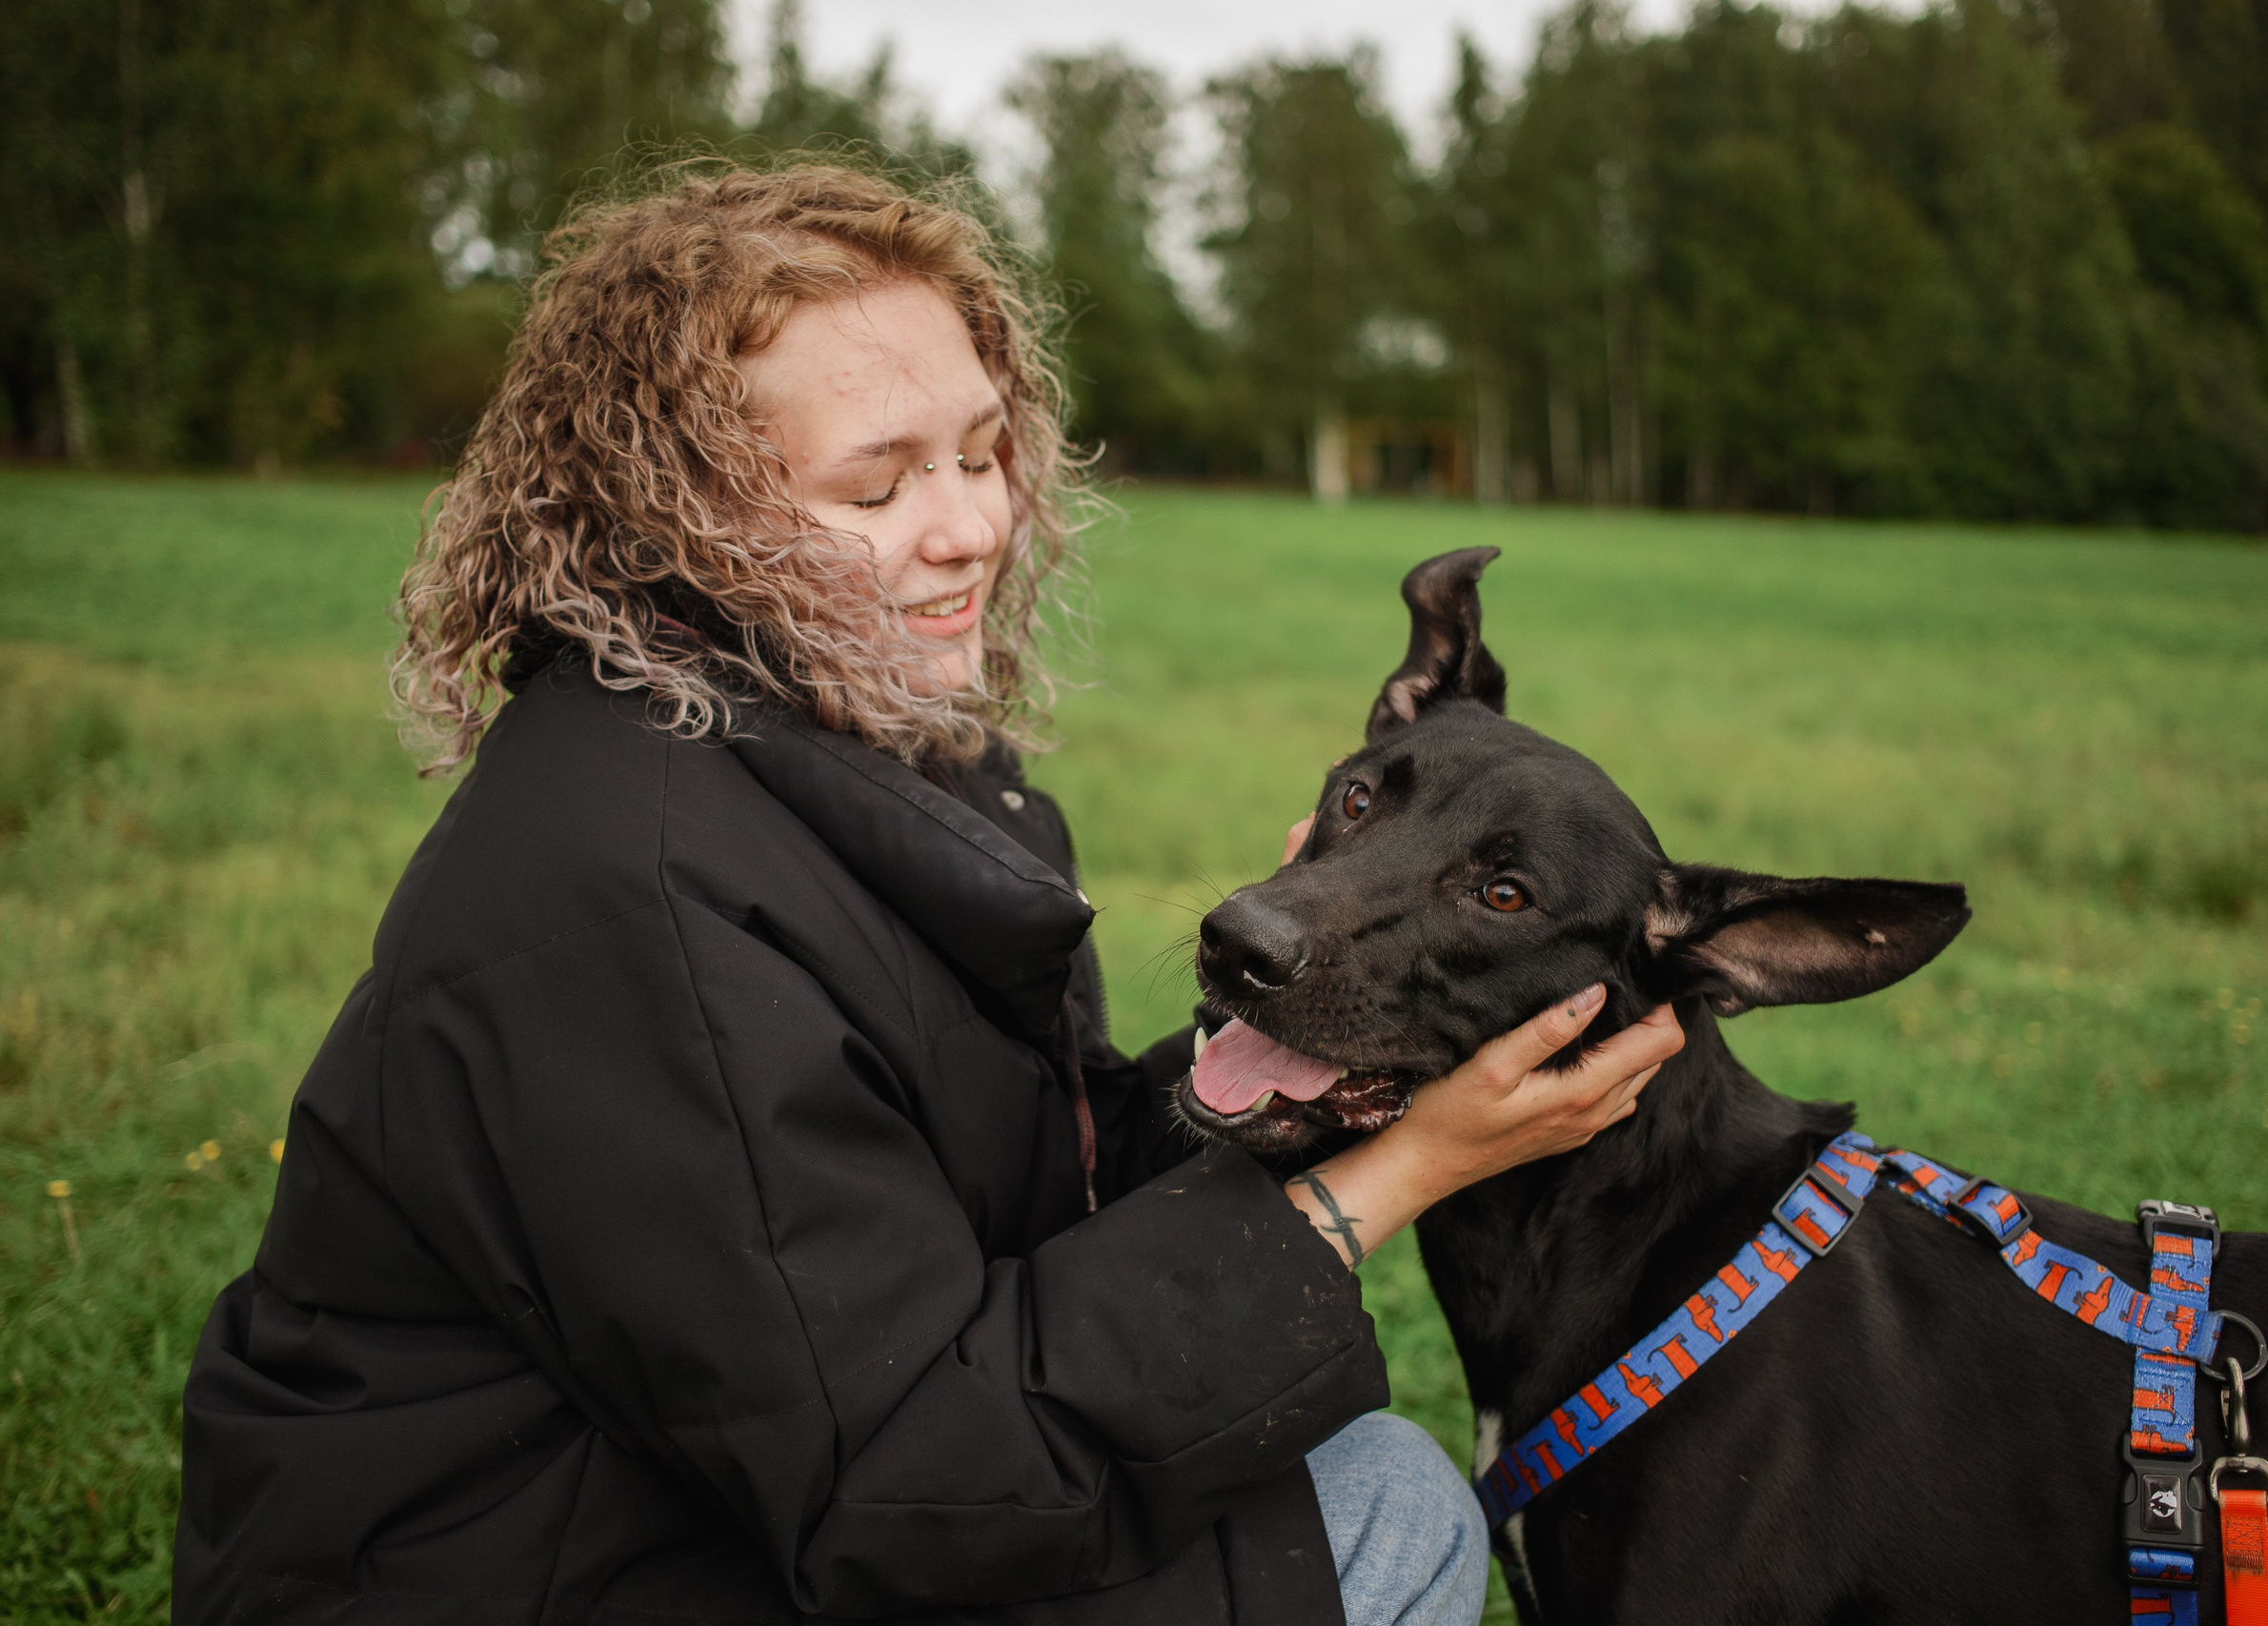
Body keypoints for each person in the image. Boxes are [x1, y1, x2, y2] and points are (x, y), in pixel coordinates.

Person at [172, 162, 1682, 1626]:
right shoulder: (634, 890)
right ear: (676, 513)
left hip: (684, 1501)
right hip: (503, 1567)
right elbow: (903, 1478)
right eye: (878, 482)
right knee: (1385, 1511)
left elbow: (1031, 1187)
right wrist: (1388, 1181)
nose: (969, 525)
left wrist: (1318, 1028)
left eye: (979, 450)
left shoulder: (863, 755)